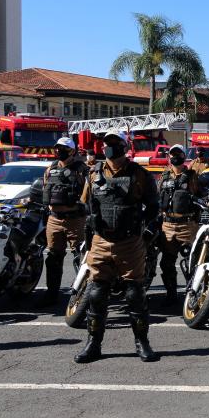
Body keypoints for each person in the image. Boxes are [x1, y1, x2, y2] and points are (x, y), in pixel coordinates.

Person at [74, 130, 160, 363]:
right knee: (96, 293)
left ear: (124, 146)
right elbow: (86, 204)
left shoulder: (140, 175)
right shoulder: (94, 174)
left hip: (130, 242)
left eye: (116, 143)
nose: (111, 147)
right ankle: (93, 344)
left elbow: (153, 207)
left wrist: (146, 229)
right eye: (107, 143)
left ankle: (142, 343)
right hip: (101, 241)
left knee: (135, 294)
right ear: (102, 148)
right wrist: (90, 221)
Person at [38, 137, 89, 307]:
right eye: (57, 148)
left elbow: (89, 193)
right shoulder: (50, 169)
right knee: (53, 257)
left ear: (72, 151)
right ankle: (52, 294)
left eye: (63, 148)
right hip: (54, 219)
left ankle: (82, 296)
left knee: (80, 258)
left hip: (75, 220)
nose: (59, 151)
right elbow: (45, 188)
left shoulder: (82, 169)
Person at [156, 145, 206, 306]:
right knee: (166, 263)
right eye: (173, 154)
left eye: (178, 154)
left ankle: (193, 293)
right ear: (169, 157)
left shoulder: (192, 175)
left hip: (187, 225)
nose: (175, 157)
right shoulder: (164, 176)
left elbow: (202, 195)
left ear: (184, 156)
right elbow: (156, 198)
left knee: (191, 262)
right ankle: (171, 295)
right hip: (167, 225)